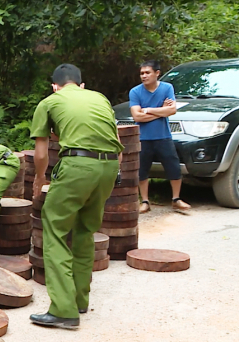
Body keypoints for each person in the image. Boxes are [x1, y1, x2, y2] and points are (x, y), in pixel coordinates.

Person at [29, 64, 123, 329]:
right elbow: (116, 140)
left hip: (78, 167)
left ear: (55, 86)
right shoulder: (99, 98)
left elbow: (41, 152)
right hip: (109, 166)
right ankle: (81, 299)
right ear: (81, 85)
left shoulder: (50, 101)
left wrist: (40, 179)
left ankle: (63, 310)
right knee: (85, 230)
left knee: (56, 231)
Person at [129, 60, 191, 213]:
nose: (144, 76)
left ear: (157, 73)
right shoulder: (135, 92)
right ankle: (144, 201)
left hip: (163, 136)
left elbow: (172, 111)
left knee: (173, 167)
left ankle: (176, 199)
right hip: (143, 137)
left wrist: (149, 110)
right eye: (142, 73)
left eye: (147, 72)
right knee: (142, 170)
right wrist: (160, 110)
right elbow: (137, 116)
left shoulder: (167, 88)